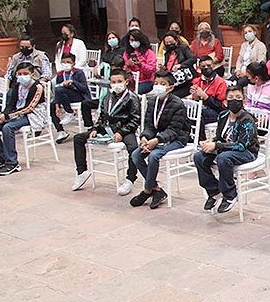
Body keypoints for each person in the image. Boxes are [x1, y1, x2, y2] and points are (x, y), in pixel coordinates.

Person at [71, 68, 141, 194]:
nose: (116, 84)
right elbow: (102, 116)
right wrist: (95, 128)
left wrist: (121, 132)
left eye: (119, 81)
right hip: (107, 128)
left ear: (126, 82)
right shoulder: (108, 96)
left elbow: (135, 120)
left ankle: (130, 179)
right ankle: (82, 171)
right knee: (78, 138)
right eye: (113, 82)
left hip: (124, 129)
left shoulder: (132, 97)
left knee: (134, 148)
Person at [193, 84, 258, 215]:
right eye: (231, 98)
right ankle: (213, 190)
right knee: (199, 156)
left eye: (238, 97)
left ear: (244, 101)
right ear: (225, 102)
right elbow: (220, 136)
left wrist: (217, 145)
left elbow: (242, 145)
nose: (235, 100)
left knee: (223, 158)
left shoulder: (247, 119)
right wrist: (211, 141)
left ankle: (230, 194)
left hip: (246, 152)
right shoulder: (223, 116)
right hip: (225, 149)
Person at [130, 71, 191, 210]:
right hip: (158, 138)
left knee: (154, 155)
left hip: (177, 138)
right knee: (135, 155)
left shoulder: (177, 104)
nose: (158, 86)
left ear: (170, 87)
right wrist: (145, 137)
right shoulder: (153, 101)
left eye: (162, 84)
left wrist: (156, 140)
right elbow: (149, 125)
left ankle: (147, 191)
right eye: (156, 83)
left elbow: (174, 130)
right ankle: (156, 189)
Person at [0, 62, 47, 174]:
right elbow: (11, 104)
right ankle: (0, 158)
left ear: (32, 74)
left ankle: (12, 162)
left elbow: (29, 108)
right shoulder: (17, 85)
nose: (22, 76)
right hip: (16, 113)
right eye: (20, 74)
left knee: (8, 127)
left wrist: (7, 116)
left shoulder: (37, 87)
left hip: (33, 115)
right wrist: (2, 114)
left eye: (25, 73)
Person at [50, 52, 91, 143]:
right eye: (63, 62)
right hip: (64, 97)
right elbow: (57, 88)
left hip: (78, 95)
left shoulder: (79, 73)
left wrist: (72, 82)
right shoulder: (60, 75)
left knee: (60, 89)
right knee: (51, 106)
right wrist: (57, 106)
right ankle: (61, 131)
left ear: (73, 63)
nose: (65, 64)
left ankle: (69, 112)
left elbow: (84, 88)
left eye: (68, 62)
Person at [189, 55, 227, 125]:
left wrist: (205, 97)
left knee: (198, 115)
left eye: (208, 65)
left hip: (216, 112)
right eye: (203, 66)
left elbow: (221, 106)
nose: (206, 68)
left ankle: (199, 136)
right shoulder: (196, 81)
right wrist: (196, 96)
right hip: (200, 108)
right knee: (186, 112)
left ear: (213, 66)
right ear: (199, 68)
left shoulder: (221, 82)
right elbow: (196, 102)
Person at [160, 31, 196, 98]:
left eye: (171, 42)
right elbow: (167, 66)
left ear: (176, 41)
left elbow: (193, 59)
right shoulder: (167, 54)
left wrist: (180, 65)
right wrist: (163, 68)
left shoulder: (183, 48)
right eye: (167, 43)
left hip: (185, 81)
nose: (169, 44)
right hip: (172, 81)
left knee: (172, 96)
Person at [124, 29, 158, 95]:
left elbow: (152, 69)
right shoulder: (127, 52)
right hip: (131, 81)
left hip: (146, 81)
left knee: (133, 92)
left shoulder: (149, 52)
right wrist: (127, 65)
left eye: (136, 40)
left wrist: (141, 65)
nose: (134, 42)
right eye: (131, 40)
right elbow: (123, 68)